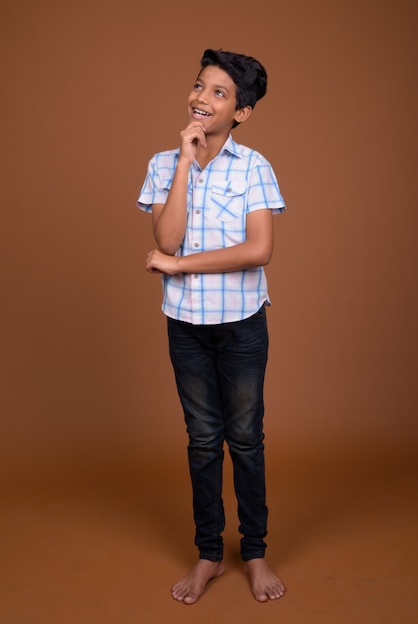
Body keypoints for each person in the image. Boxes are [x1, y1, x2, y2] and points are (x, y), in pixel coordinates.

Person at [137, 48, 286, 604]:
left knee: (245, 439)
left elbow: (259, 249)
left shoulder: (255, 167)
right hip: (186, 326)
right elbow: (167, 239)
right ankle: (208, 554)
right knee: (203, 440)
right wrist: (182, 159)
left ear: (241, 112)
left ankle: (254, 552)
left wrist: (176, 268)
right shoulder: (161, 163)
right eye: (200, 86)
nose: (202, 98)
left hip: (243, 325)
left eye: (219, 93)